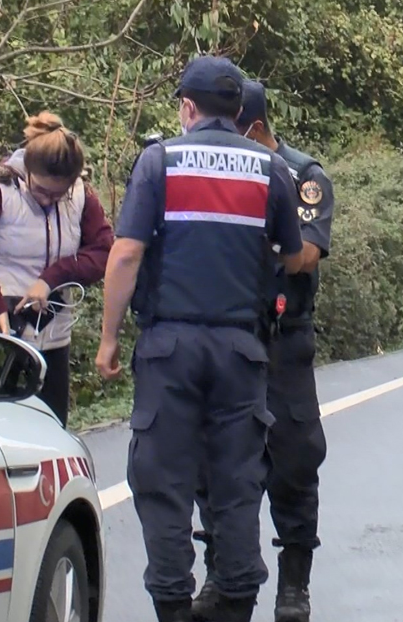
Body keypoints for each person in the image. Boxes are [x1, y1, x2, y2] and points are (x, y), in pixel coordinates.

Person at [96, 56, 305, 622]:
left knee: (164, 484)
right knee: (237, 483)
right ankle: (236, 602)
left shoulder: (158, 160)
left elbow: (128, 254)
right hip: (241, 351)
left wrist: (108, 338)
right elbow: (295, 254)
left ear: (187, 107)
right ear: (240, 112)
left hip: (169, 350)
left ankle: (172, 604)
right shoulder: (270, 168)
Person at [190, 80, 334, 622]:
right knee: (218, 459)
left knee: (295, 459)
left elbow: (308, 254)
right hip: (229, 334)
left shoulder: (303, 176)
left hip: (284, 338)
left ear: (251, 126)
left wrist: (251, 241)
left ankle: (294, 584)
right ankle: (219, 570)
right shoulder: (215, 171)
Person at [0, 111, 113, 427]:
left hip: (53, 339)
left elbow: (103, 251)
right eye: (43, 191)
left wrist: (52, 279)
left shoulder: (80, 196)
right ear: (27, 172)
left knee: (51, 432)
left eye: (59, 193)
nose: (51, 200)